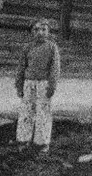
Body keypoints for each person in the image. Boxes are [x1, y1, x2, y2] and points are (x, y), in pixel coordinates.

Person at [15, 18, 61, 152]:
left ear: (48, 32)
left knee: (43, 112)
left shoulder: (52, 47)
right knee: (26, 111)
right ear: (31, 32)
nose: (40, 32)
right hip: (29, 83)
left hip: (44, 84)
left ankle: (42, 142)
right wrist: (19, 85)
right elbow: (21, 67)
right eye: (36, 30)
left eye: (43, 29)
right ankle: (23, 140)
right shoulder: (27, 47)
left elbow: (55, 68)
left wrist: (52, 85)